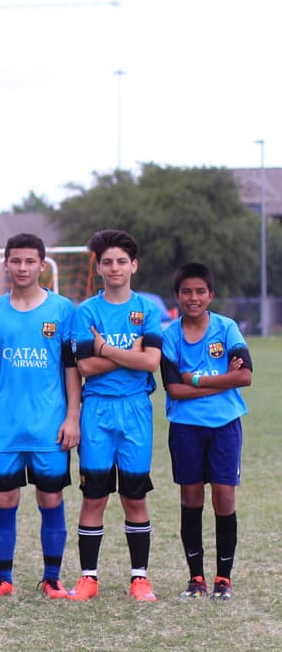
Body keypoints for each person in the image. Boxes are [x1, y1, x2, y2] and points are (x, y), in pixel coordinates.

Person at [0, 234, 80, 600]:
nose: (22, 268)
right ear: (6, 264)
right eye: (16, 261)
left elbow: (71, 368)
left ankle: (52, 578)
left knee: (50, 499)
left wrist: (72, 416)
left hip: (49, 425)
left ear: (42, 265)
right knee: (5, 499)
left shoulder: (62, 310)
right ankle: (3, 579)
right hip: (5, 425)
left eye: (30, 261)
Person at [68, 228, 163, 602]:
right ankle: (88, 578)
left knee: (134, 497)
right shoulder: (86, 312)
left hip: (136, 408)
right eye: (107, 262)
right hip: (97, 409)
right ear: (99, 268)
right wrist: (128, 355)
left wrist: (105, 349)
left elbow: (151, 362)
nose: (115, 267)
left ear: (134, 266)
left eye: (122, 261)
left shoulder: (147, 310)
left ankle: (139, 578)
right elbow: (85, 367)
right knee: (94, 496)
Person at [160, 263, 252, 601]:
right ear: (177, 296)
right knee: (191, 498)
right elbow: (174, 389)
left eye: (200, 291)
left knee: (224, 497)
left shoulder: (227, 328)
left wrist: (196, 379)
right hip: (186, 428)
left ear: (211, 295)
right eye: (187, 291)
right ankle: (195, 578)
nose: (193, 297)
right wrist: (223, 380)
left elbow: (245, 376)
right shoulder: (170, 336)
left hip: (225, 426)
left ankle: (223, 579)